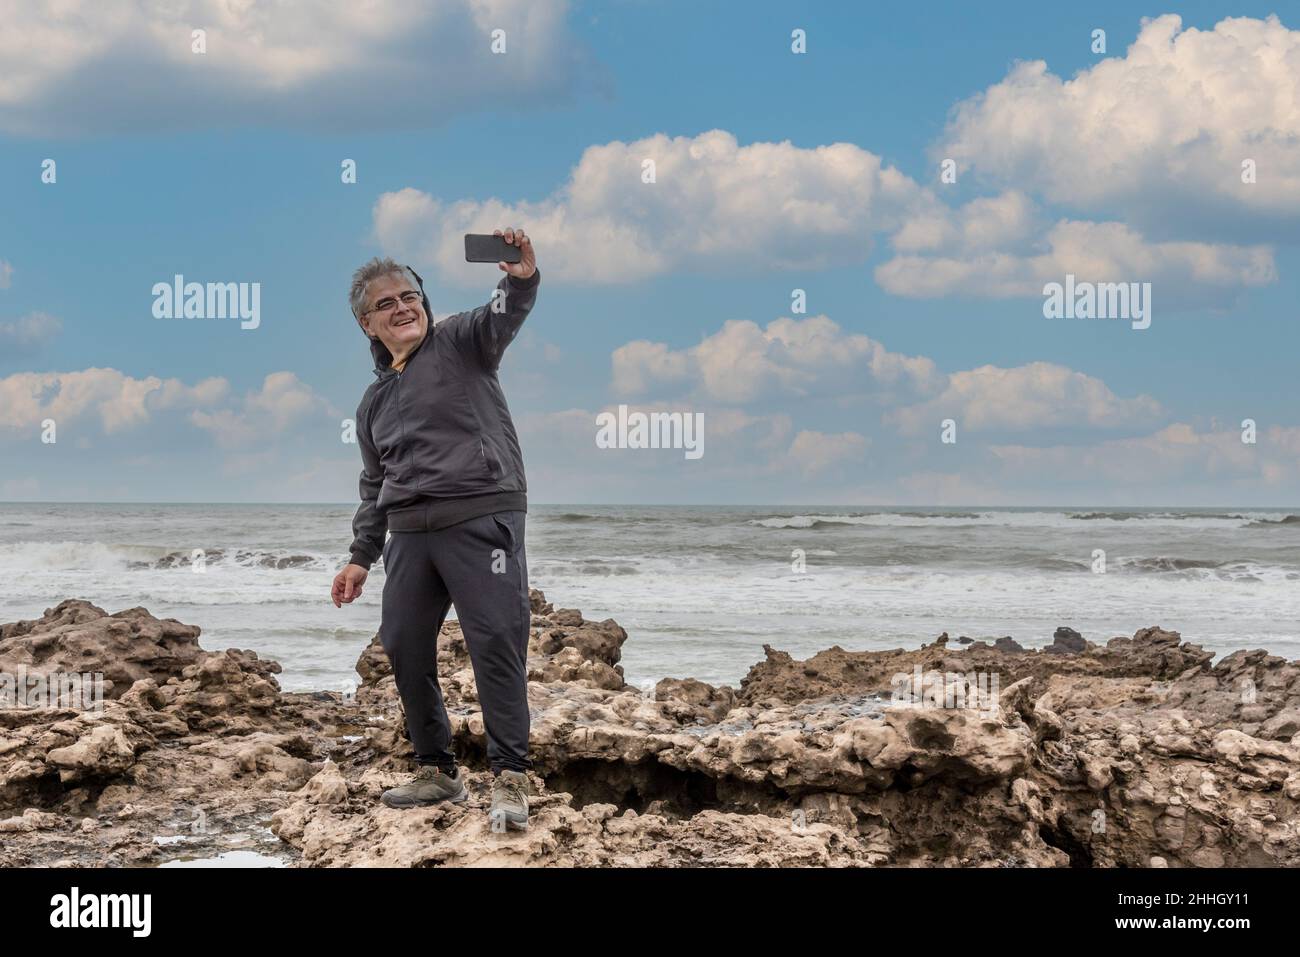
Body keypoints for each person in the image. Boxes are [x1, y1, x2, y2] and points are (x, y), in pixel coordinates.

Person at [331, 228, 539, 830]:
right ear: (366, 325)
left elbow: (508, 310)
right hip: (409, 535)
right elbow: (375, 487)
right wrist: (360, 557)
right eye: (385, 303)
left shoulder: (461, 342)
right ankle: (438, 771)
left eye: (409, 296)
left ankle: (509, 779)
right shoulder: (373, 402)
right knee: (402, 643)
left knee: (495, 641)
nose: (402, 307)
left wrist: (521, 275)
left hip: (482, 517)